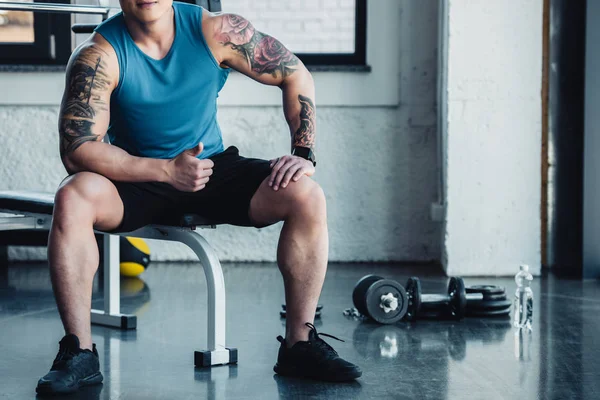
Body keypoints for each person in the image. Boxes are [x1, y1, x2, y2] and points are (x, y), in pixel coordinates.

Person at [35, 0, 362, 395]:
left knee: (306, 195)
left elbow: (295, 74)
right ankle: (80, 353)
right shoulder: (99, 55)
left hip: (210, 169)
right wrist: (164, 170)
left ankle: (299, 344)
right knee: (72, 196)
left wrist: (303, 152)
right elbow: (77, 149)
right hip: (136, 176)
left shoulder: (217, 32)